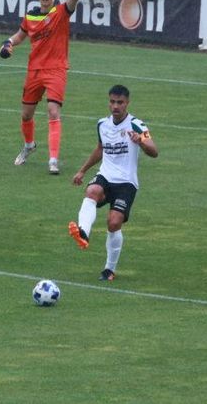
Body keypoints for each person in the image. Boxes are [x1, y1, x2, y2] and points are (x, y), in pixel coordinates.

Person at [0, 0, 90, 175]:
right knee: (26, 115)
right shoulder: (30, 16)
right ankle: (29, 145)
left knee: (52, 111)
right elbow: (20, 36)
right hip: (34, 71)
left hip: (56, 69)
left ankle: (53, 160)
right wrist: (8, 44)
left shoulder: (61, 12)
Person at [67, 85, 158, 281]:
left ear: (127, 103)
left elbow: (154, 150)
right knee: (92, 190)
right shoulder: (102, 124)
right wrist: (83, 170)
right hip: (106, 176)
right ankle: (83, 232)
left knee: (114, 223)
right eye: (112, 102)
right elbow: (100, 148)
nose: (115, 106)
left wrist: (140, 141)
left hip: (126, 182)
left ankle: (109, 269)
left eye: (120, 102)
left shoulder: (136, 125)